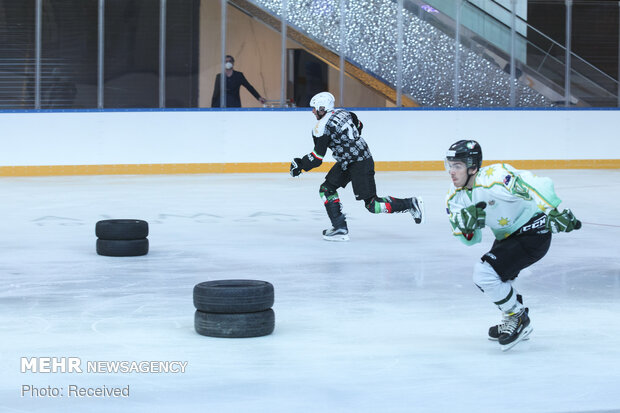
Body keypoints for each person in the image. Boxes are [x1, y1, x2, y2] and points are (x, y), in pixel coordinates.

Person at [445, 139, 581, 351]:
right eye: (450, 165)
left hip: (534, 233)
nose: (452, 172)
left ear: (473, 167)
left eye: (458, 166)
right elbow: (469, 239)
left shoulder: (494, 177)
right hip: (507, 237)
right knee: (492, 278)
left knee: (484, 274)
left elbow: (537, 184)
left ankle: (517, 317)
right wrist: (468, 227)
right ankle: (514, 314)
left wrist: (553, 211)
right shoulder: (454, 197)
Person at [289, 91, 425, 242]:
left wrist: (299, 165)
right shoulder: (343, 112)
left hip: (360, 162)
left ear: (323, 108)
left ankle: (410, 203)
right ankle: (339, 228)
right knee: (326, 189)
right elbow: (359, 125)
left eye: (315, 108)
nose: (313, 111)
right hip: (350, 160)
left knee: (373, 204)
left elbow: (317, 158)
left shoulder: (321, 127)